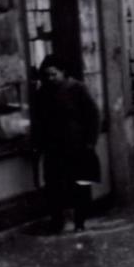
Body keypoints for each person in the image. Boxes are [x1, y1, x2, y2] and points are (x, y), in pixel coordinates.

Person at [31, 55, 101, 232]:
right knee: (53, 186)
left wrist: (90, 142)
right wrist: (38, 145)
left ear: (63, 72)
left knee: (79, 185)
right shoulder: (42, 93)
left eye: (54, 74)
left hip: (76, 146)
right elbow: (39, 121)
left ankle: (80, 221)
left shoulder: (77, 88)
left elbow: (93, 116)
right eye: (46, 75)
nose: (50, 78)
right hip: (53, 148)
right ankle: (57, 221)